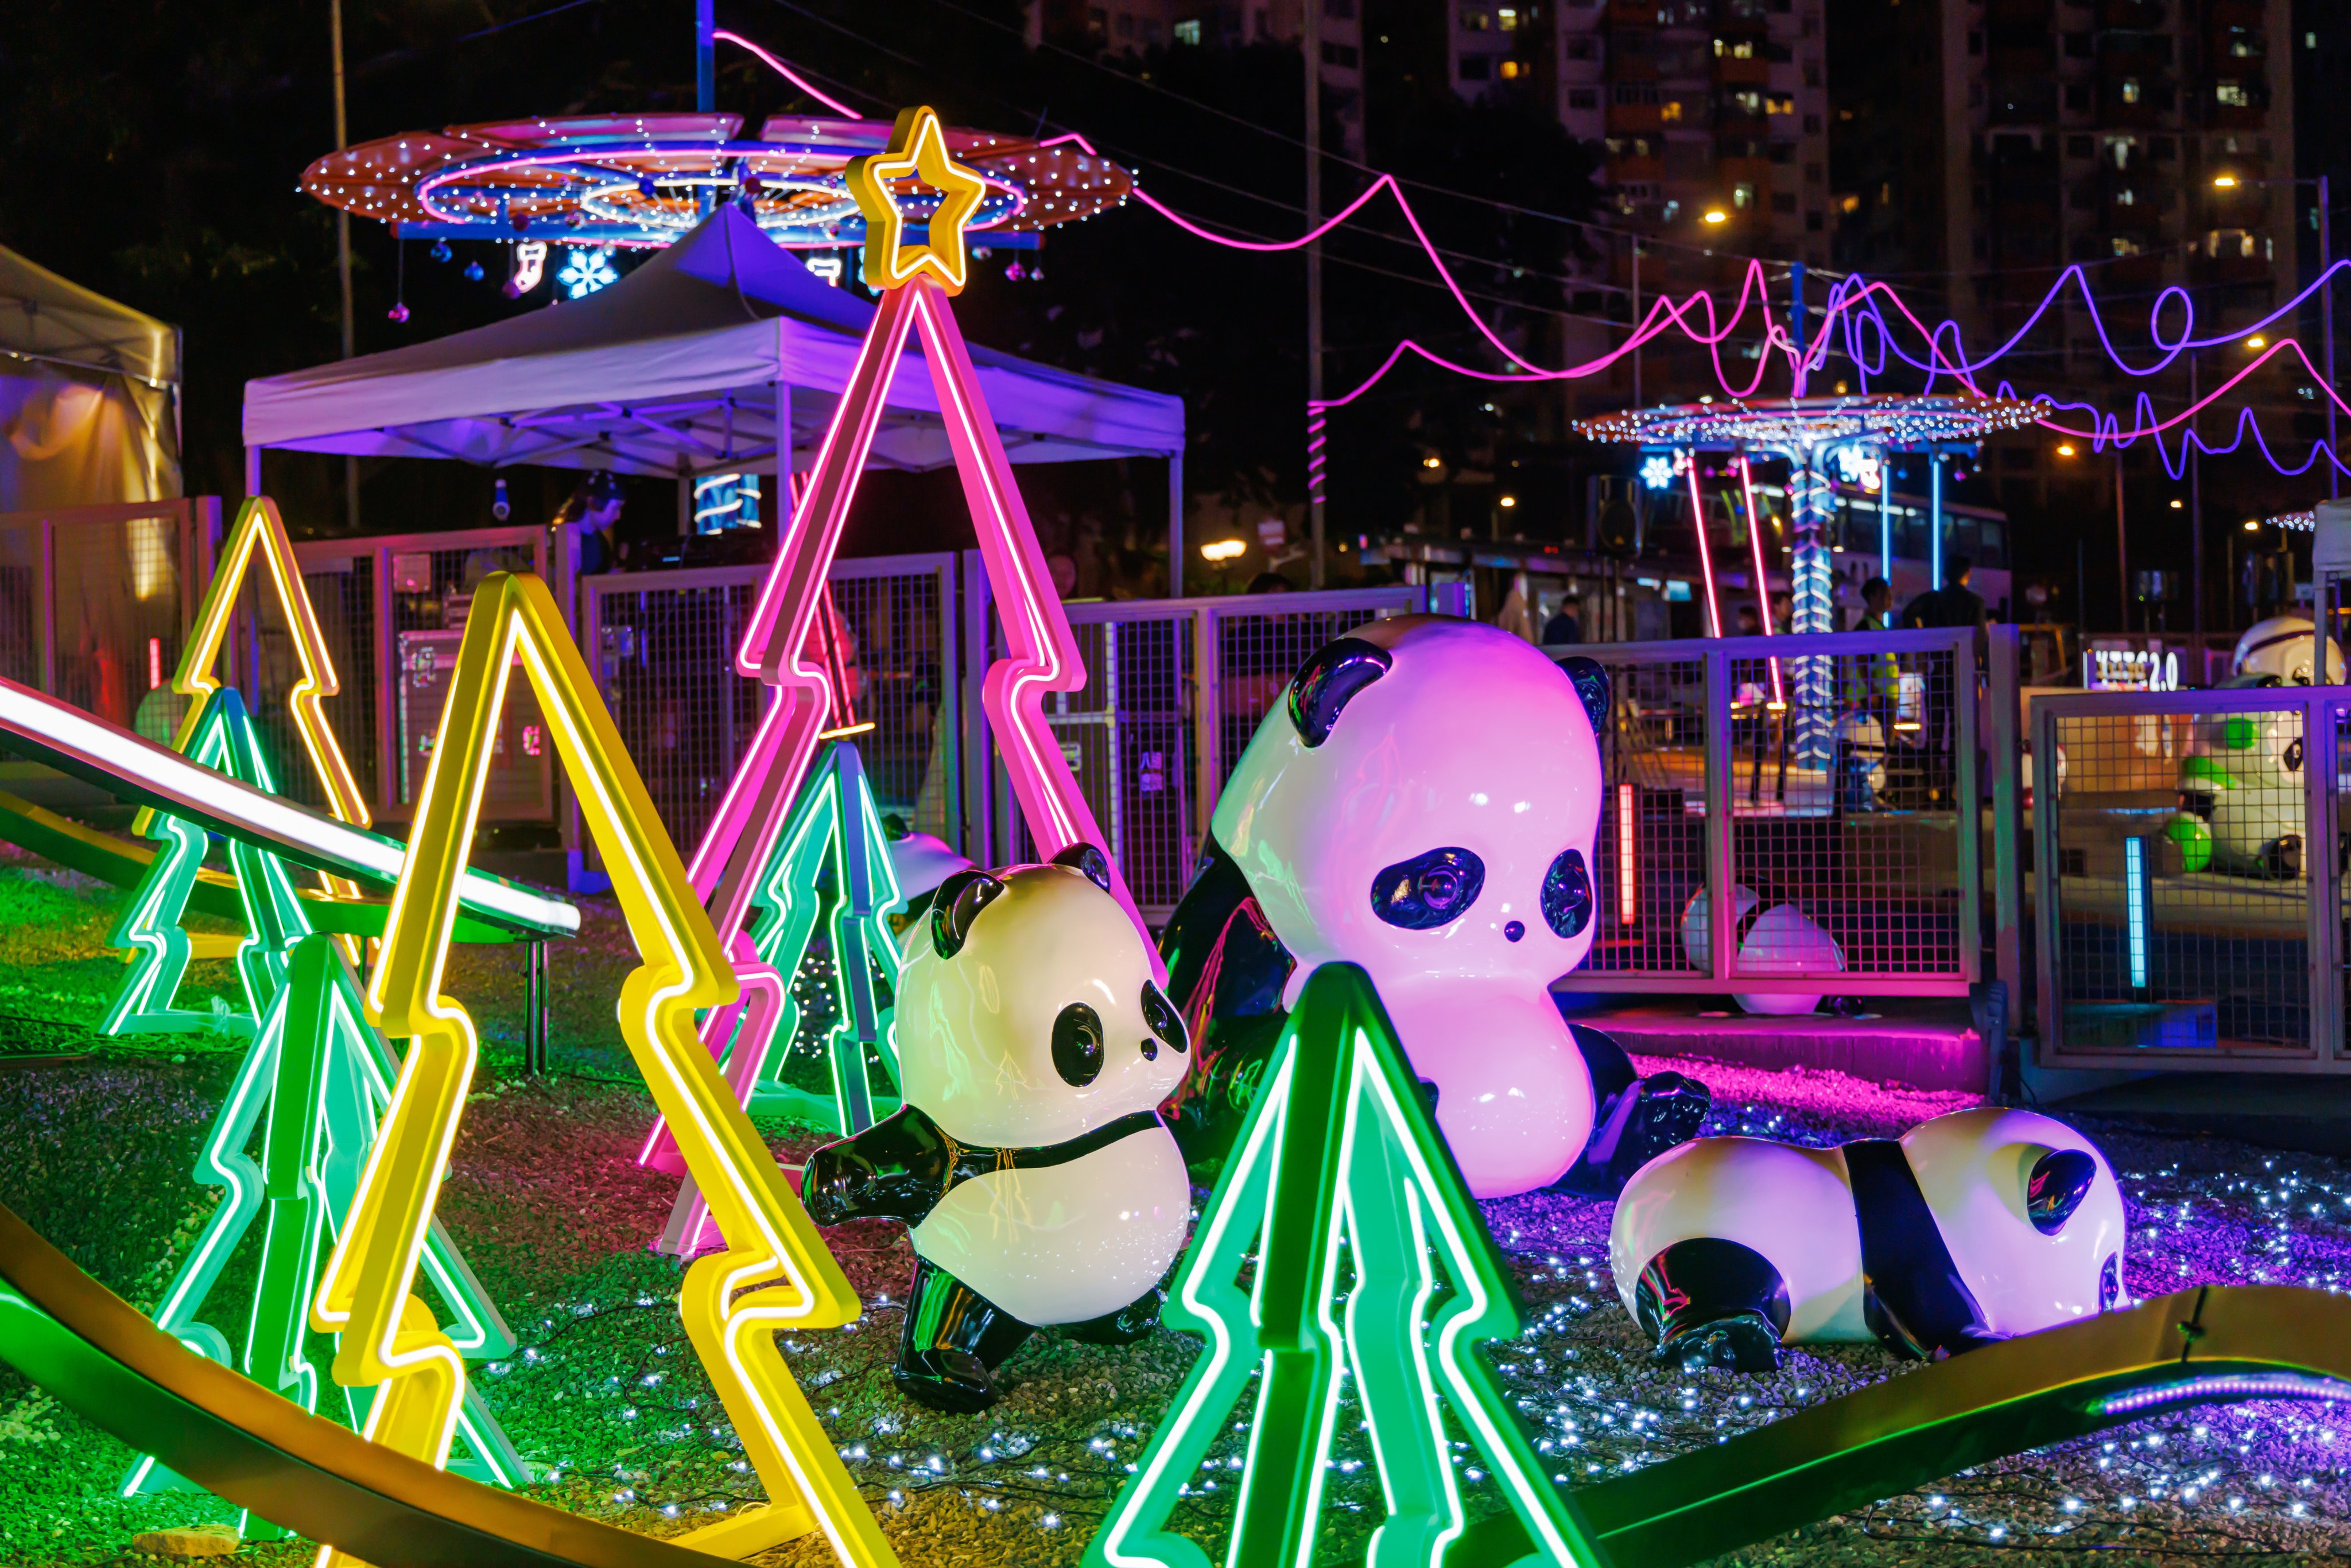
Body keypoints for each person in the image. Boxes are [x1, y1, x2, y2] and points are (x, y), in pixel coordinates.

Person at [552, 472, 626, 576]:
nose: (618, 516)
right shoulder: (564, 540)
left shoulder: (602, 542)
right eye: (615, 508)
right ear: (593, 502)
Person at [1896, 557, 1988, 633]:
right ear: (1968, 574)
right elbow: (1978, 635)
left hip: (1934, 652)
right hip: (1965, 653)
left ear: (1944, 573)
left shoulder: (1931, 599)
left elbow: (1908, 613)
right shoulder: (1976, 602)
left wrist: (1920, 639)